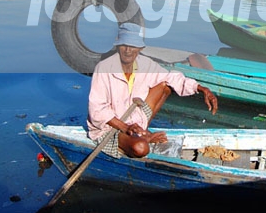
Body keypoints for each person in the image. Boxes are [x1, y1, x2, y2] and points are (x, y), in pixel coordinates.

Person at [87, 22, 218, 159]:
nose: (128, 51)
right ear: (117, 45)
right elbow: (97, 110)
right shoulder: (104, 68)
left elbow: (171, 77)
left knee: (165, 84)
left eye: (133, 46)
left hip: (135, 119)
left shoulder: (144, 64)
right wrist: (126, 127)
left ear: (140, 48)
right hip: (112, 127)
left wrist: (201, 88)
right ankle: (144, 138)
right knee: (140, 148)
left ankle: (143, 132)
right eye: (124, 45)